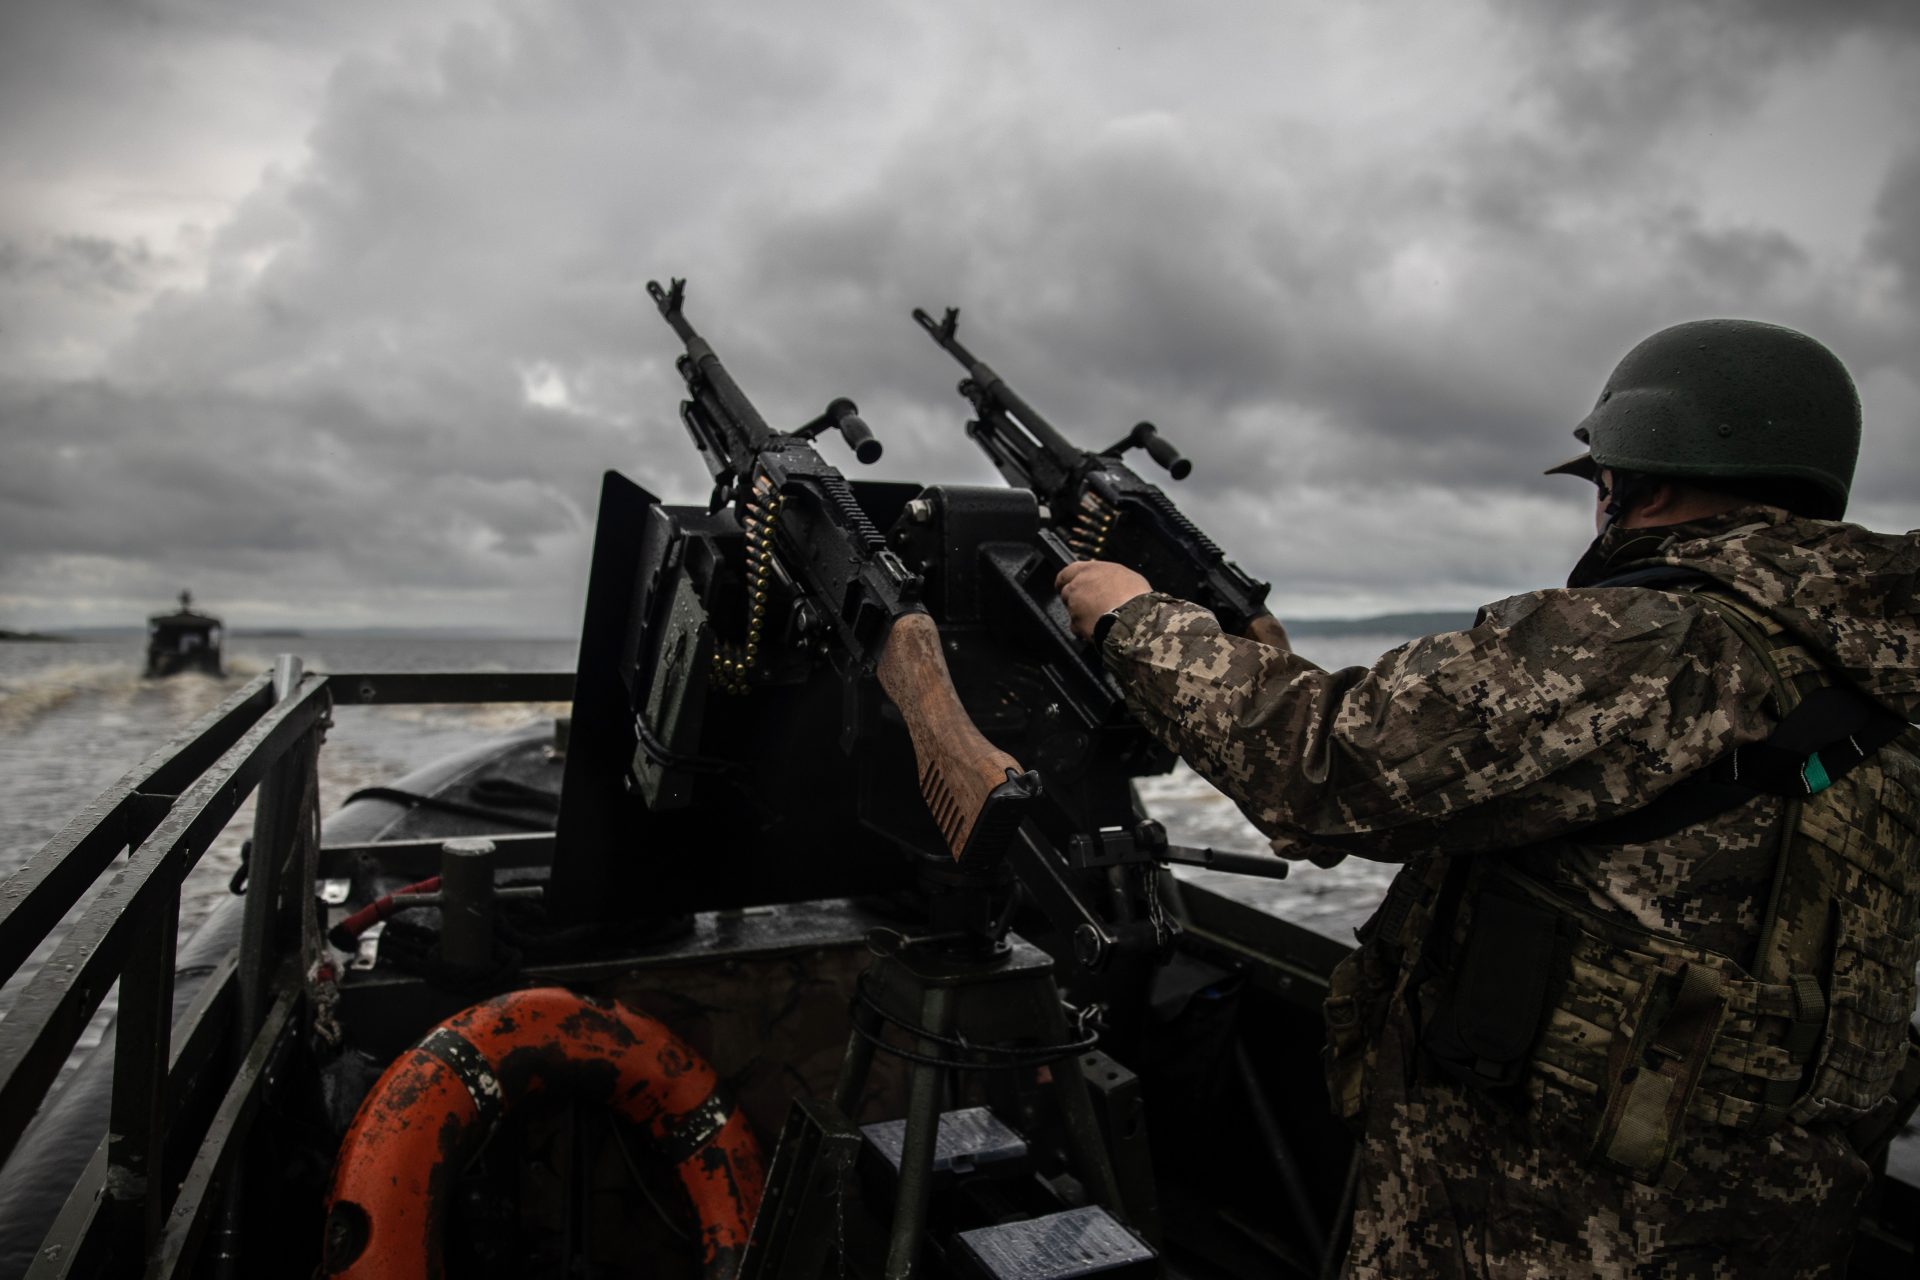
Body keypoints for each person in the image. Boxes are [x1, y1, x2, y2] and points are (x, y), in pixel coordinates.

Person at [1056, 318, 1920, 1278]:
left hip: (1542, 1227)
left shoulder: (1649, 637)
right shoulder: (1882, 677)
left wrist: (1131, 620)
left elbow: (1326, 772)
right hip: (1768, 1227)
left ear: (1646, 481)